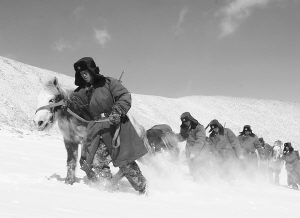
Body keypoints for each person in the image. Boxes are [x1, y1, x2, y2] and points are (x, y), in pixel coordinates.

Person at [73, 57, 148, 194]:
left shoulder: (108, 83)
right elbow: (75, 103)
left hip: (116, 127)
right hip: (96, 129)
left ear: (91, 70)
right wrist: (66, 104)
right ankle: (109, 190)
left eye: (85, 72)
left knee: (125, 161)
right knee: (96, 161)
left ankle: (142, 188)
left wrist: (118, 111)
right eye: (81, 74)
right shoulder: (83, 91)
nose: (84, 75)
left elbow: (124, 95)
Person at [177, 112, 210, 179]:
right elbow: (182, 137)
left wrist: (194, 152)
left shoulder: (199, 128)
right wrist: (172, 138)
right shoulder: (186, 128)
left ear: (190, 119)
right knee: (192, 171)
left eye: (186, 121)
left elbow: (200, 141)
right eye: (184, 122)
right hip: (189, 153)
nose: (185, 123)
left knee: (199, 171)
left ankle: (206, 183)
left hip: (199, 153)